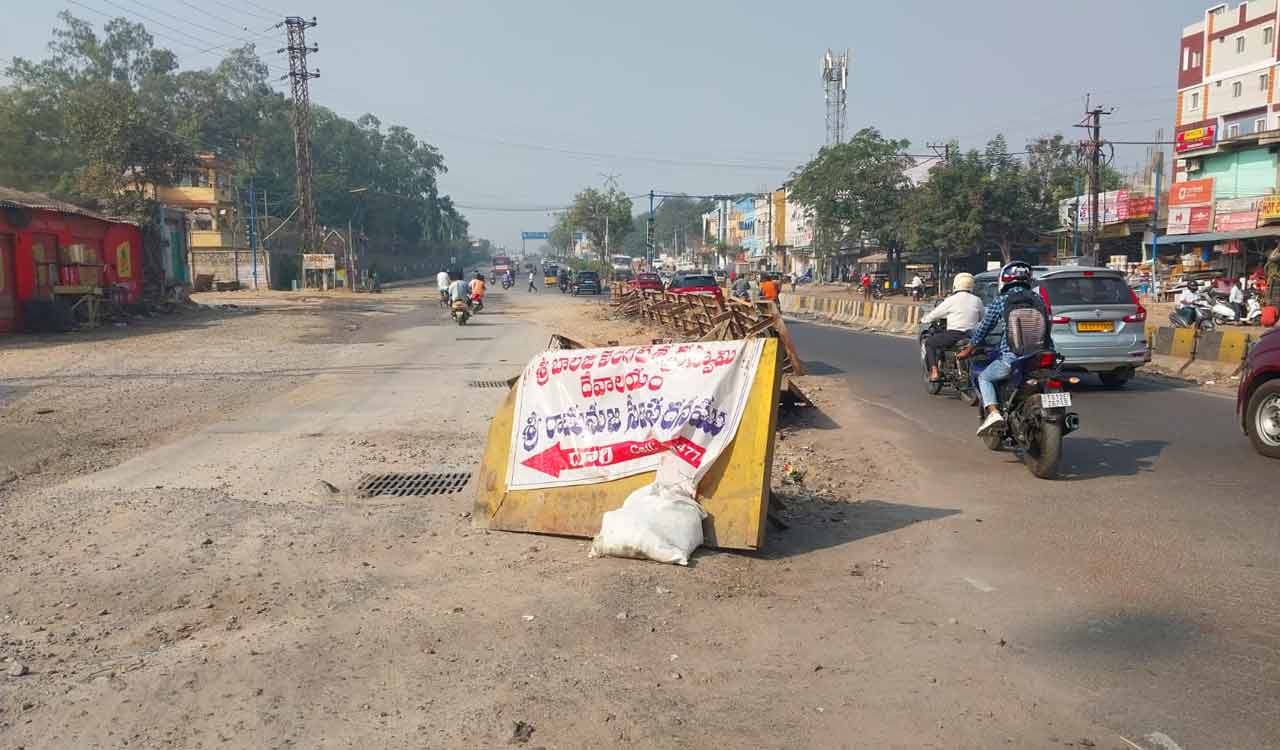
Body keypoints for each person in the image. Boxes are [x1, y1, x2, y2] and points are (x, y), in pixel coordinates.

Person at [957, 262, 1052, 436]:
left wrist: (970, 348)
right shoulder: (1039, 300)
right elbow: (1048, 325)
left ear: (1005, 280)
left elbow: (983, 328)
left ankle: (993, 414)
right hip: (1043, 355)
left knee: (985, 378)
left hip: (1012, 357)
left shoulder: (1001, 301)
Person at [920, 272, 985, 382]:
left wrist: (923, 320)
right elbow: (982, 317)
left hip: (955, 334)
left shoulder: (951, 300)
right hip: (973, 335)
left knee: (930, 343)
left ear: (956, 285)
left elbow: (935, 313)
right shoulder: (977, 300)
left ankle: (934, 371)